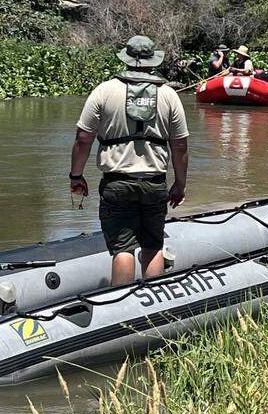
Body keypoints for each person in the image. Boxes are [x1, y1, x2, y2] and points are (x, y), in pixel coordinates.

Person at [70, 35, 189, 286]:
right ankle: (153, 301)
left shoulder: (104, 90)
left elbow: (83, 139)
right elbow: (179, 146)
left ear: (126, 58)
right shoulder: (169, 95)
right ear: (152, 62)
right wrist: (180, 184)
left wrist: (76, 176)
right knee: (152, 245)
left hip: (116, 184)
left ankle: (121, 303)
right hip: (154, 183)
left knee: (123, 248)